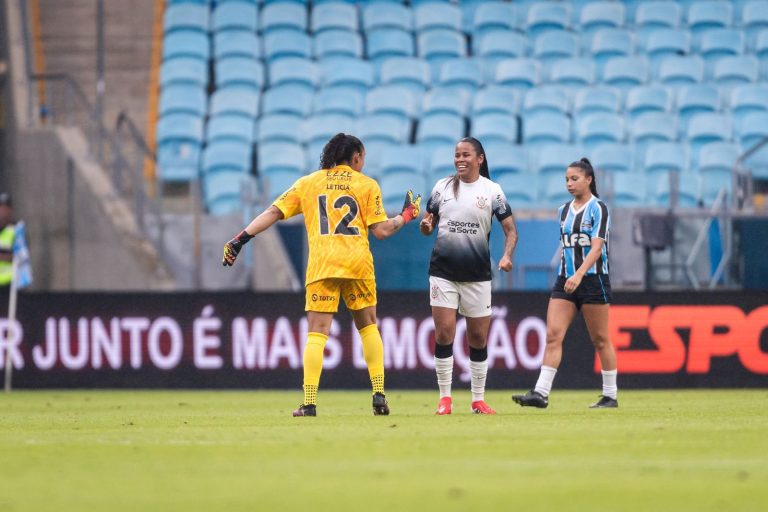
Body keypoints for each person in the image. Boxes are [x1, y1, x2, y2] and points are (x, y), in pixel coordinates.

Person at [222, 133, 421, 417]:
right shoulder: (366, 185)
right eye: (361, 158)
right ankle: (379, 395)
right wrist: (406, 215)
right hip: (357, 264)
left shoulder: (308, 183)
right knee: (368, 328)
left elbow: (272, 212)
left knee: (317, 334)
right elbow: (382, 231)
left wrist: (240, 239)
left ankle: (310, 402)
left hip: (323, 264)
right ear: (355, 157)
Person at [419, 137, 518, 415]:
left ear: (479, 159)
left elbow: (511, 230)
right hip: (443, 272)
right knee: (444, 332)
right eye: (456, 155)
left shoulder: (492, 191)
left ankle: (477, 399)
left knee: (477, 338)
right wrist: (426, 225)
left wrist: (507, 255)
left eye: (465, 155)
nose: (460, 159)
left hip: (477, 274)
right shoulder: (442, 187)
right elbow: (428, 223)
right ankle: (445, 398)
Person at [512, 158, 618, 409]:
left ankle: (610, 395)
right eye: (566, 180)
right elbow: (567, 247)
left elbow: (596, 248)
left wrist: (579, 274)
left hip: (592, 280)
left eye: (574, 179)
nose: (569, 184)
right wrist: (570, 273)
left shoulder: (599, 208)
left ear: (589, 179)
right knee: (553, 335)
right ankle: (540, 393)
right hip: (566, 280)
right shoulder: (563, 211)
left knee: (600, 339)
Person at [0, 192, 15, 289]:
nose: (3, 211)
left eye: (6, 208)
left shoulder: (16, 231)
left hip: (10, 285)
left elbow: (20, 257)